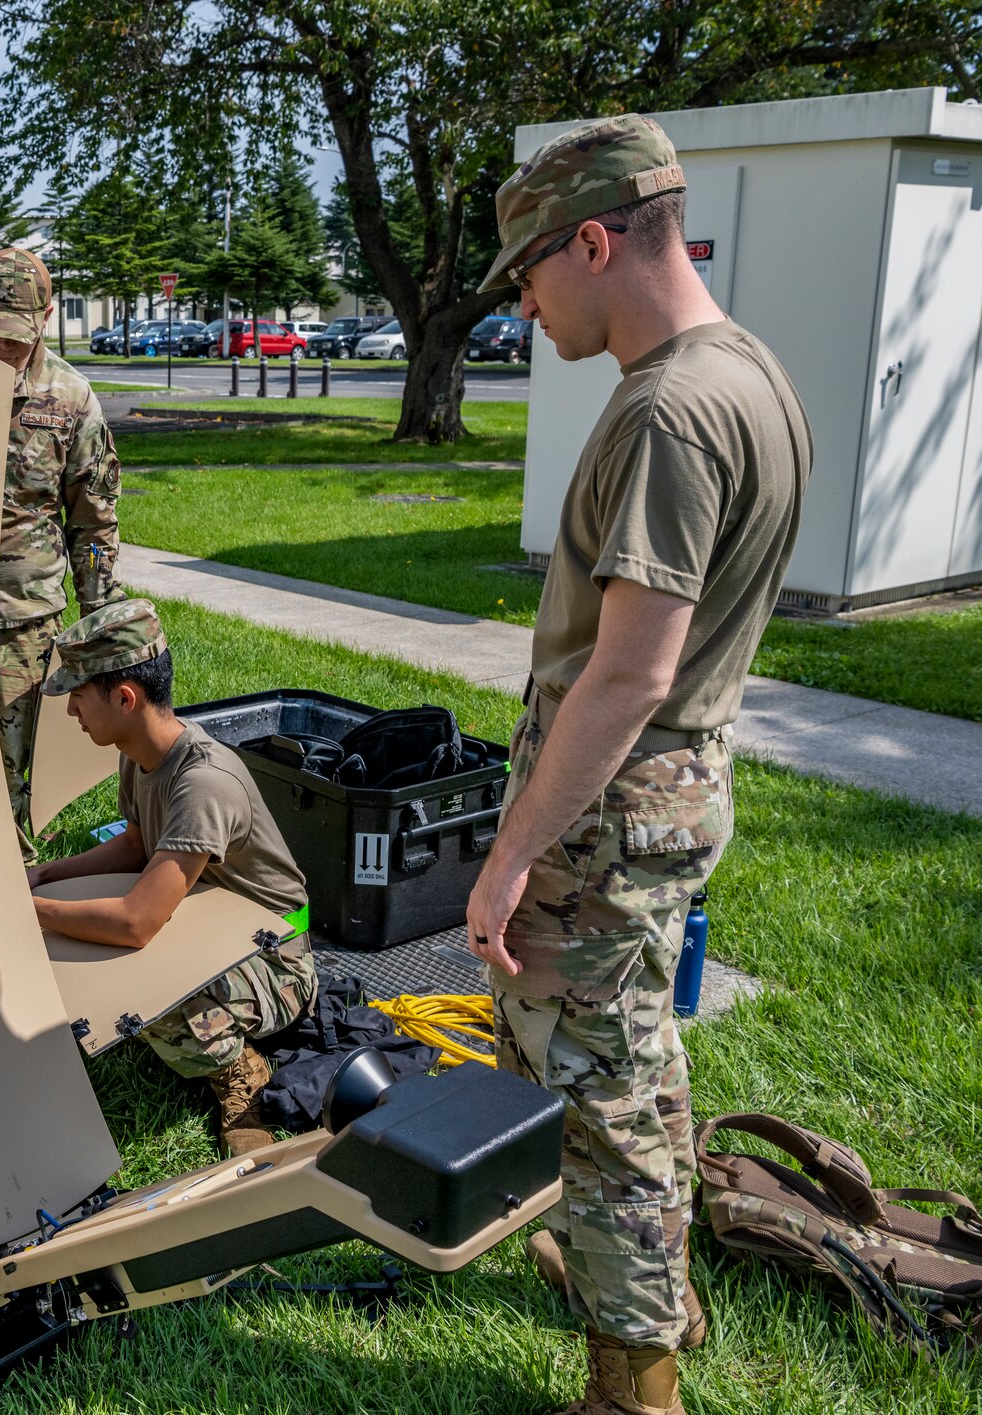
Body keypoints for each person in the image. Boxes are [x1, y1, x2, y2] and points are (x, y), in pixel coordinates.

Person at [466, 115, 810, 1415]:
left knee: (598, 1098)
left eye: (531, 275)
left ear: (596, 240)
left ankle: (634, 1389)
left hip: (610, 809)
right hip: (677, 794)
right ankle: (657, 1287)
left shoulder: (670, 409)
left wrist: (508, 857)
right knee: (641, 1061)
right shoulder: (752, 375)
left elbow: (628, 672)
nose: (527, 307)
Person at [24, 600, 313, 1156]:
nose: (71, 712)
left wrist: (31, 909)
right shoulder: (140, 754)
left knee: (146, 996)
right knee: (78, 929)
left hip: (277, 957)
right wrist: (44, 877)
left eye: (78, 695)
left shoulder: (203, 782)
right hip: (206, 920)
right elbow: (136, 844)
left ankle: (240, 1077)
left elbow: (136, 924)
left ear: (125, 698)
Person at [0, 248, 123, 859]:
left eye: (15, 341)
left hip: (24, 621)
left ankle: (12, 888)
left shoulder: (70, 399)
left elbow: (94, 522)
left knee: (7, 776)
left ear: (46, 318)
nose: (1, 352)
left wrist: (103, 626)